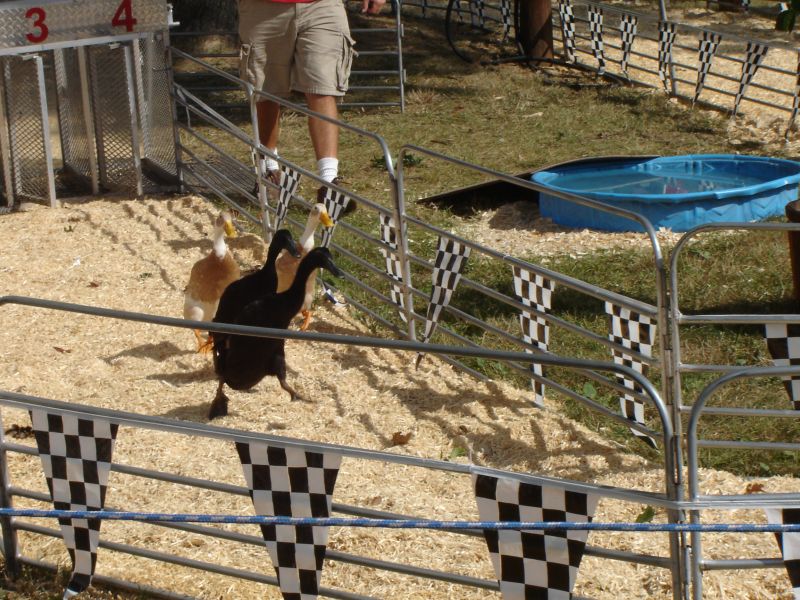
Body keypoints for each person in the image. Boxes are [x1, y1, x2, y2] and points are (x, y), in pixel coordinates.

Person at [238, 0, 386, 200]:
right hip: (263, 9)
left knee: (323, 86)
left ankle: (329, 183)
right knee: (265, 90)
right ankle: (269, 168)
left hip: (322, 6)